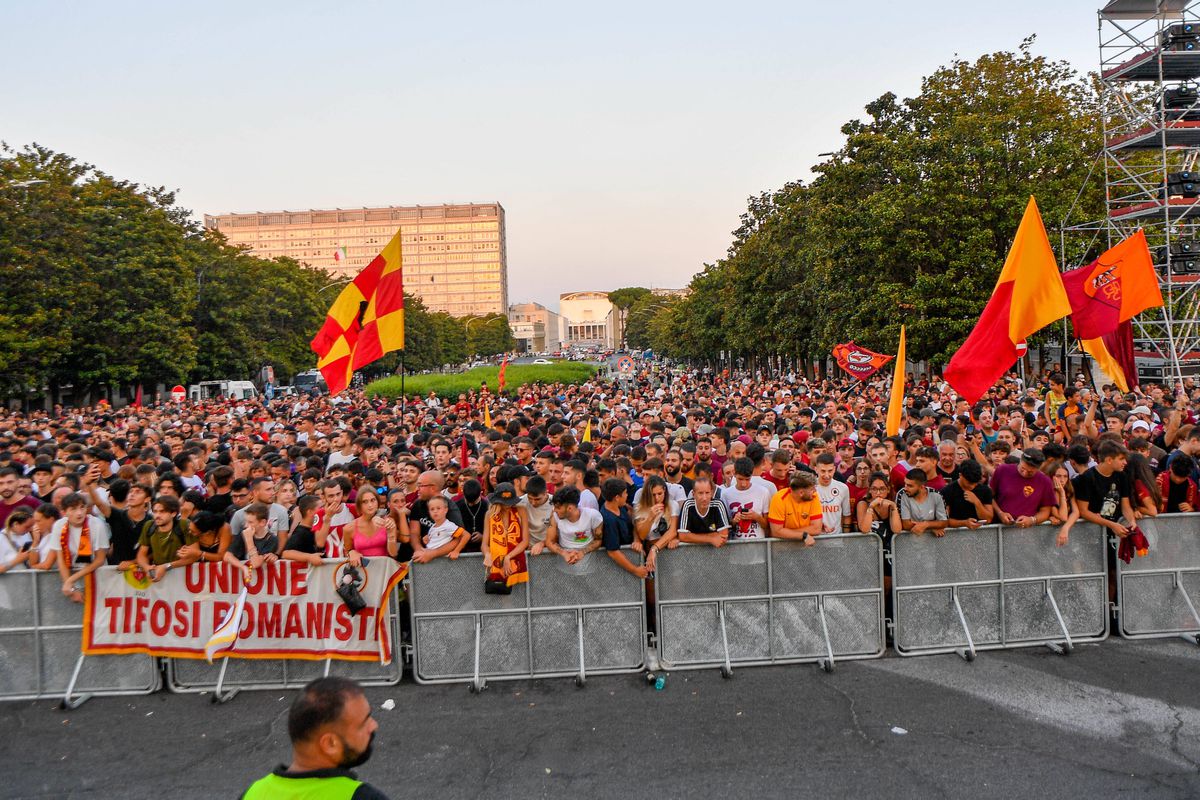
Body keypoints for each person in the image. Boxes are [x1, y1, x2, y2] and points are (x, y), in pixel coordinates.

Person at [242, 676, 389, 800]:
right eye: (364, 722)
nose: (374, 726)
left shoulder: (252, 794)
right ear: (330, 744)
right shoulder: (361, 796)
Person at [52, 492, 111, 602]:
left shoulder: (97, 525)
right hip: (74, 576)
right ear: (64, 512)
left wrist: (70, 580)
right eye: (73, 509)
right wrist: (71, 586)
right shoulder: (59, 526)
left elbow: (100, 559)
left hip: (97, 577)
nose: (79, 513)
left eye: (82, 507)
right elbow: (61, 559)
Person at [990, 448, 1056, 528]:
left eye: (1030, 472)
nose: (1025, 473)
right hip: (999, 527)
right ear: (1020, 461)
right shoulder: (1003, 470)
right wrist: (1000, 513)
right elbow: (989, 497)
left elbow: (1045, 510)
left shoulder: (1045, 481)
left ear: (1038, 468)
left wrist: (1032, 520)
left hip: (1028, 530)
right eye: (1022, 468)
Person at [598, 477, 650, 577]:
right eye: (625, 493)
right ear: (617, 497)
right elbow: (613, 552)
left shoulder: (622, 507)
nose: (627, 495)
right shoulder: (609, 520)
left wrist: (636, 540)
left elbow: (633, 523)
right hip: (619, 570)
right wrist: (635, 570)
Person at [481, 483, 528, 585]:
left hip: (517, 563)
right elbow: (484, 544)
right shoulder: (489, 515)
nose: (508, 505)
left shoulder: (521, 510)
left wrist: (508, 557)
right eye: (504, 502)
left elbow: (525, 541)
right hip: (496, 565)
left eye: (510, 502)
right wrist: (487, 554)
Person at [545, 485, 604, 564]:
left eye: (558, 508)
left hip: (589, 563)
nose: (555, 510)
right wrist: (564, 553)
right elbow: (549, 542)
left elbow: (598, 540)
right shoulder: (555, 516)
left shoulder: (593, 516)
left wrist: (582, 552)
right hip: (564, 563)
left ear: (570, 508)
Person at [719, 457, 772, 540]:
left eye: (747, 479)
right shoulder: (726, 494)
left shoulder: (763, 492)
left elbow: (768, 526)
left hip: (758, 542)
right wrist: (734, 521)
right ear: (734, 474)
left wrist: (756, 517)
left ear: (752, 475)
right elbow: (723, 526)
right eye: (740, 479)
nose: (744, 483)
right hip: (734, 543)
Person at [767, 471, 822, 544]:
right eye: (812, 489)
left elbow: (816, 529)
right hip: (783, 546)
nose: (815, 491)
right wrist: (803, 535)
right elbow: (776, 532)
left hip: (807, 545)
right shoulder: (779, 499)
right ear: (801, 493)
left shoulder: (813, 496)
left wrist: (786, 532)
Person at [344, 490, 396, 566]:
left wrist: (391, 535)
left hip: (384, 569)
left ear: (377, 502)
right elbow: (347, 551)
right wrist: (351, 552)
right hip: (362, 570)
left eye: (373, 500)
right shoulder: (349, 528)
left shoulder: (387, 521)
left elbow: (393, 554)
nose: (370, 505)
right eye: (365, 502)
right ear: (359, 505)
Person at [677, 476, 731, 547]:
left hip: (715, 551)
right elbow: (682, 536)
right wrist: (711, 538)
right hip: (692, 551)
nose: (704, 498)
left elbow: (724, 535)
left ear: (711, 493)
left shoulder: (718, 505)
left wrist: (692, 536)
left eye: (707, 493)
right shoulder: (688, 505)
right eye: (700, 493)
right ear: (693, 494)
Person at [939, 459, 994, 529]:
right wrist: (964, 523)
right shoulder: (947, 491)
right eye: (969, 483)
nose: (972, 486)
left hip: (981, 534)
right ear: (960, 475)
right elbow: (944, 521)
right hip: (955, 534)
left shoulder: (985, 490)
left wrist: (977, 502)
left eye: (975, 483)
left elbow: (988, 519)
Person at [898, 469, 949, 537]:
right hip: (909, 540)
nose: (905, 488)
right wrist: (932, 527)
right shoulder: (902, 494)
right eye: (905, 484)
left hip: (932, 540)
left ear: (922, 487)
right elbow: (906, 525)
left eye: (910, 486)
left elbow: (944, 522)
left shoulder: (936, 495)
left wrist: (927, 524)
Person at [1043, 460, 1079, 547]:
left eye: (1065, 476)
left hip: (1065, 538)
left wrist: (1066, 527)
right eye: (1058, 476)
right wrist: (1062, 494)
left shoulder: (1069, 489)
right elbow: (1063, 517)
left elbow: (1076, 512)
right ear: (1051, 476)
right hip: (1045, 539)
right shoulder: (1047, 492)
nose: (1062, 480)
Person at [813, 453, 852, 533]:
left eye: (830, 471)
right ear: (816, 469)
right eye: (823, 471)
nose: (827, 475)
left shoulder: (843, 488)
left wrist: (845, 537)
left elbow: (846, 515)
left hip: (837, 538)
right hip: (816, 538)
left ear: (834, 469)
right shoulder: (809, 488)